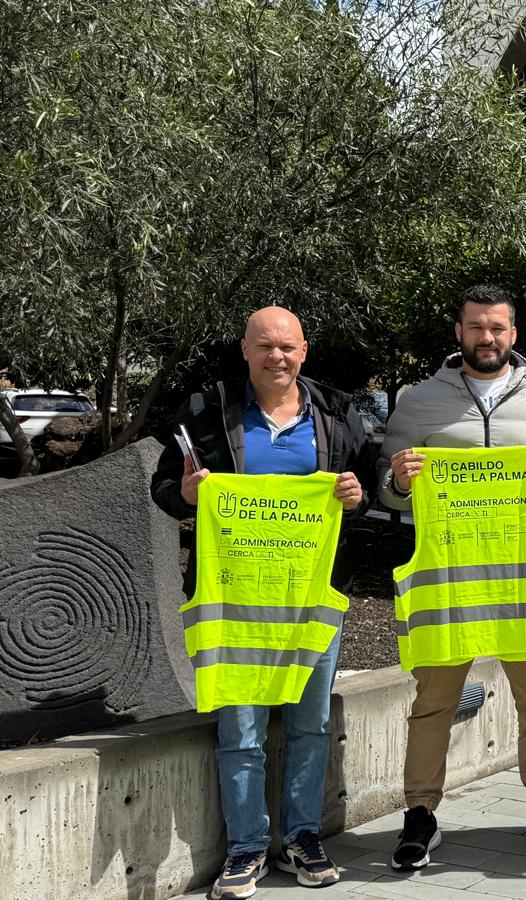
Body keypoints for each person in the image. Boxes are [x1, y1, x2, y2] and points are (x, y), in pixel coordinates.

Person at [150, 306, 370, 900]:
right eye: (265, 346)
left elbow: (366, 486)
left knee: (309, 724)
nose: (278, 356)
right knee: (240, 729)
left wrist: (355, 493)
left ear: (305, 351)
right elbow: (165, 487)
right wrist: (187, 494)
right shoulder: (205, 411)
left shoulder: (337, 413)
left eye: (288, 347)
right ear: (246, 350)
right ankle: (245, 847)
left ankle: (302, 836)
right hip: (236, 603)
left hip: (314, 599)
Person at [380, 284, 526, 869]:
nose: (487, 337)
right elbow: (388, 488)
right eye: (476, 327)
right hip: (446, 576)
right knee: (433, 700)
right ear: (459, 332)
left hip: (523, 573)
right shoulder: (419, 401)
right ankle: (420, 812)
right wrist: (399, 478)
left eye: (497, 327)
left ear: (513, 333)